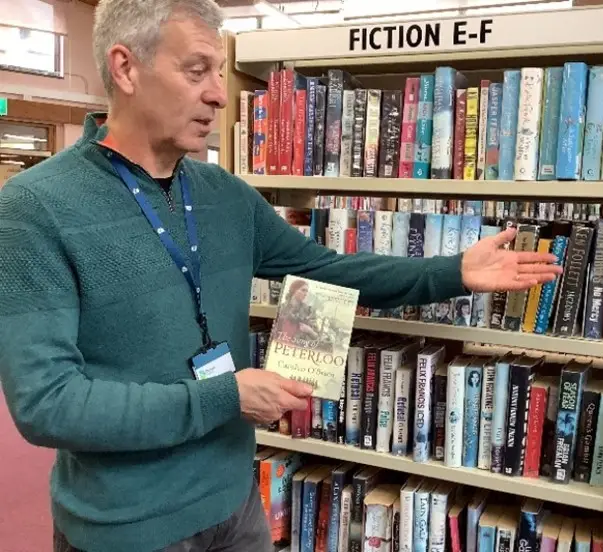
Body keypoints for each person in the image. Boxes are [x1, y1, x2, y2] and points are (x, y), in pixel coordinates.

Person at [0, 1, 562, 551]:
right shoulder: (36, 208)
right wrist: (223, 398)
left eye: (219, 72)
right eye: (197, 71)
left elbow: (328, 270)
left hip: (235, 502)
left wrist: (453, 272)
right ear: (126, 68)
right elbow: (48, 405)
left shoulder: (224, 195)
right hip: (126, 526)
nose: (220, 93)